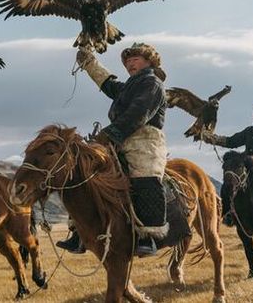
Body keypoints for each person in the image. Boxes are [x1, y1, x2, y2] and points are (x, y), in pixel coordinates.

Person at [56, 43, 169, 257]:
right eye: (127, 61)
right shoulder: (129, 86)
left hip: (143, 140)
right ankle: (80, 232)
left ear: (149, 61)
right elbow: (108, 83)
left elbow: (138, 113)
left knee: (144, 176)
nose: (129, 63)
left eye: (135, 58)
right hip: (117, 139)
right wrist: (89, 62)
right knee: (88, 175)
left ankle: (148, 236)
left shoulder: (153, 83)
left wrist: (109, 133)